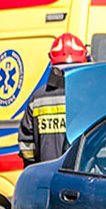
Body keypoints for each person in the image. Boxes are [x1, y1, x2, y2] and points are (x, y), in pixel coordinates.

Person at [18, 33, 88, 165]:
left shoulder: (38, 98)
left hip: (46, 172)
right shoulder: (89, 96)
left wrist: (34, 167)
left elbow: (26, 144)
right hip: (80, 173)